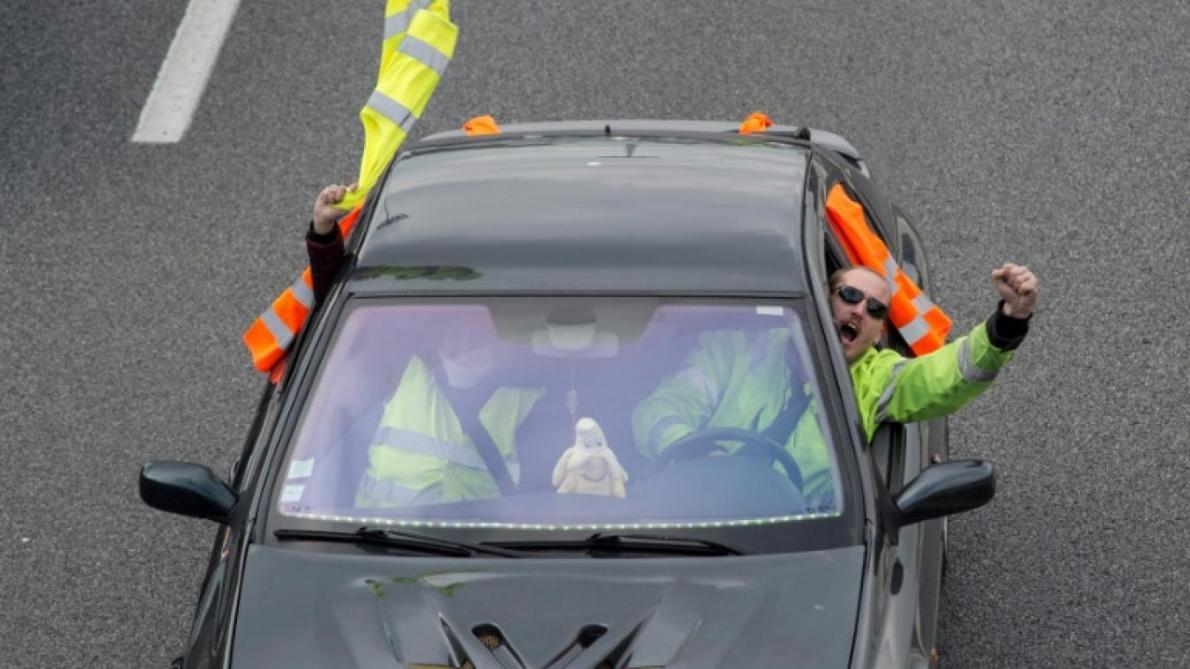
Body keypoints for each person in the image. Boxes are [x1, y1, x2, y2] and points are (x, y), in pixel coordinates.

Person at [632, 262, 1038, 505]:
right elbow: (660, 411)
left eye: (875, 308)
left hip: (798, 541)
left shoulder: (877, 379)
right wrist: (701, 457)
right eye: (849, 295)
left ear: (879, 333)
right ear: (822, 300)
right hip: (698, 509)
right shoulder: (732, 351)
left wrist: (1008, 322)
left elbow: (949, 374)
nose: (859, 309)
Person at [306, 184, 546, 508]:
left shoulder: (533, 399)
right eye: (454, 329)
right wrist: (324, 235)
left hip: (484, 551)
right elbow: (339, 323)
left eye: (474, 332)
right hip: (370, 542)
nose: (461, 341)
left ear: (498, 335)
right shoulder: (405, 368)